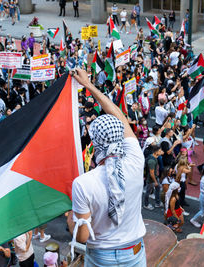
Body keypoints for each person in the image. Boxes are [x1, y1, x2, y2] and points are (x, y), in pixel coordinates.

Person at [68, 68, 146, 266]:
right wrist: (89, 85)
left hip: (102, 257)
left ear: (94, 143)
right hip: (135, 252)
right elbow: (118, 114)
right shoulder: (137, 159)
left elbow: (82, 236)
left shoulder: (83, 184)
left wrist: (70, 216)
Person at [143, 145, 164, 210]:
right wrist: (155, 181)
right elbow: (151, 173)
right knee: (148, 192)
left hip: (154, 177)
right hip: (151, 179)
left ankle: (157, 203)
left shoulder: (154, 157)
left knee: (158, 188)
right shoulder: (152, 161)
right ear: (156, 152)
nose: (161, 152)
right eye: (160, 151)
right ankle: (146, 204)